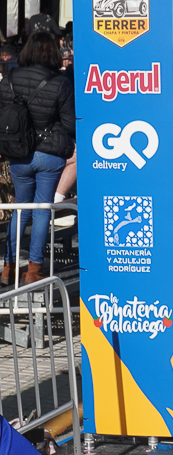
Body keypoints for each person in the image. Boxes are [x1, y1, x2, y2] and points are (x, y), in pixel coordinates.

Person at [0, 32, 76, 286]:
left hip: (18, 153)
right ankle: (34, 268)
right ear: (53, 53)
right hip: (49, 154)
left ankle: (9, 267)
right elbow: (70, 124)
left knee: (20, 208)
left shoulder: (10, 78)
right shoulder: (60, 82)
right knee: (42, 208)